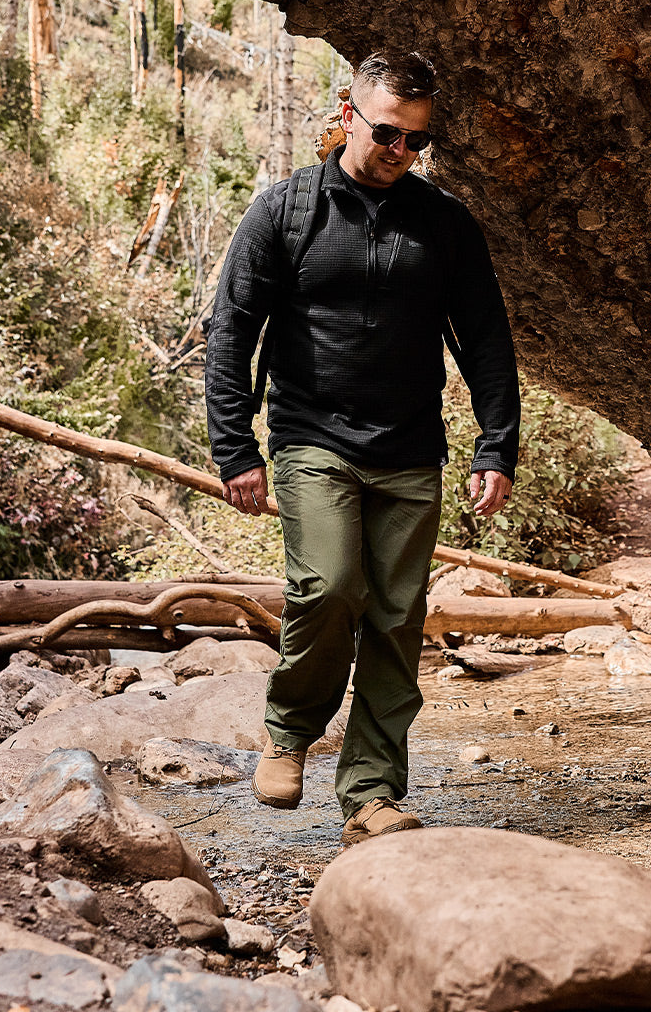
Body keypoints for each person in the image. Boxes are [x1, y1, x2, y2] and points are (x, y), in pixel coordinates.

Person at [205, 50, 519, 845]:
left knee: (396, 618)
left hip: (412, 449)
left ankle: (372, 794)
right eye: (387, 133)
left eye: (416, 140)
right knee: (329, 586)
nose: (399, 151)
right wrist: (235, 446)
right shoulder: (286, 211)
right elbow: (233, 331)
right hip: (314, 439)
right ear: (348, 114)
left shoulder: (444, 225)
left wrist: (498, 445)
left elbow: (484, 338)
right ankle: (289, 731)